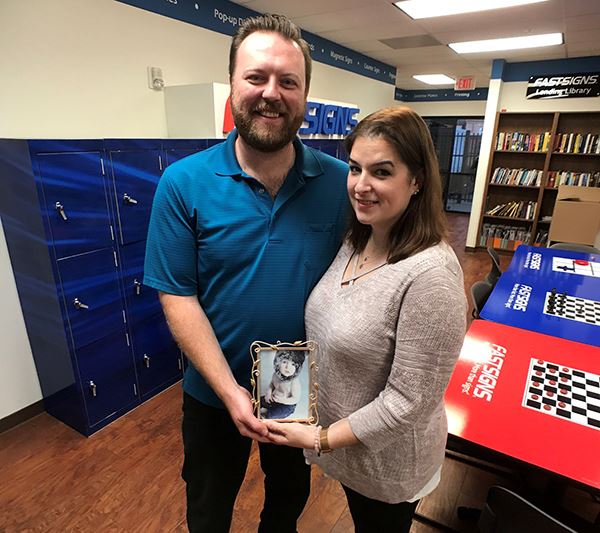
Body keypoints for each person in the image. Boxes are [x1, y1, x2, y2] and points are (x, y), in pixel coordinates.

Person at [143, 13, 349, 533]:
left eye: (288, 81)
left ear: (304, 95)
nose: (270, 93)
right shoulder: (182, 183)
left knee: (287, 500)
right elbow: (178, 298)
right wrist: (232, 391)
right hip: (214, 392)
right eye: (256, 77)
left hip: (296, 386)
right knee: (208, 509)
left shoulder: (342, 184)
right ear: (233, 84)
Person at [265, 107, 467, 533]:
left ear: (416, 181)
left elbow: (407, 403)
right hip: (343, 448)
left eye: (382, 171)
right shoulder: (357, 238)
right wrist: (286, 401)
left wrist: (320, 438)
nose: (361, 185)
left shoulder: (430, 276)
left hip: (387, 465)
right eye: (355, 168)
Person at [261, 350, 306, 420]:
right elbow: (272, 384)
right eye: (284, 362)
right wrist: (268, 393)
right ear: (278, 363)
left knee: (271, 415)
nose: (288, 367)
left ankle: (267, 415)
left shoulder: (294, 382)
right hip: (274, 398)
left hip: (287, 404)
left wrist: (282, 400)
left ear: (297, 367)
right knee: (259, 401)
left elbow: (295, 399)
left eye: (293, 364)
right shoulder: (276, 375)